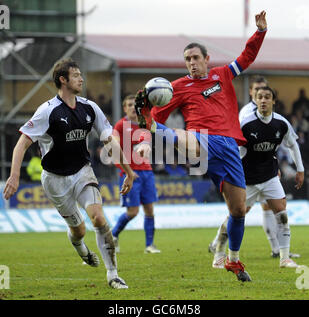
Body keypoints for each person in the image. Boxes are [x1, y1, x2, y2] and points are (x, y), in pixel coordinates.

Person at [135, 11, 268, 282]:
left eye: (196, 58)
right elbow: (158, 117)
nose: (192, 63)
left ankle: (232, 259)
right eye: (187, 59)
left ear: (207, 59)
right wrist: (146, 137)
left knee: (239, 211)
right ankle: (150, 126)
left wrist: (260, 32)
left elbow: (247, 57)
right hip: (202, 139)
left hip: (229, 147)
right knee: (191, 140)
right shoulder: (176, 88)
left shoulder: (222, 74)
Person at [3, 58, 135, 289]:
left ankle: (113, 275)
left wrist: (128, 171)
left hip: (83, 172)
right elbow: (21, 144)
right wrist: (14, 176)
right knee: (79, 230)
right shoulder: (47, 111)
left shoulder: (90, 108)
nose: (81, 79)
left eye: (81, 75)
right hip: (55, 180)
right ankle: (80, 247)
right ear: (63, 80)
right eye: (76, 75)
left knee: (99, 219)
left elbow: (109, 140)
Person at [211, 86, 304, 269]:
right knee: (235, 216)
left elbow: (293, 145)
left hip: (269, 176)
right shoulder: (246, 124)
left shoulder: (281, 123)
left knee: (282, 213)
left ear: (273, 101)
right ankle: (219, 254)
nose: (263, 100)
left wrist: (300, 170)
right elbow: (235, 152)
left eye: (267, 97)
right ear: (255, 100)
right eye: (259, 97)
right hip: (247, 179)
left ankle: (285, 258)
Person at [112, 94, 160, 254]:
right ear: (125, 108)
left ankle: (150, 245)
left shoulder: (144, 125)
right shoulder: (120, 125)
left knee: (149, 210)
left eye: (135, 104)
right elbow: (114, 151)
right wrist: (128, 172)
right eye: (129, 105)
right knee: (132, 212)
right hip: (129, 175)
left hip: (146, 172)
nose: (133, 107)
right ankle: (113, 235)